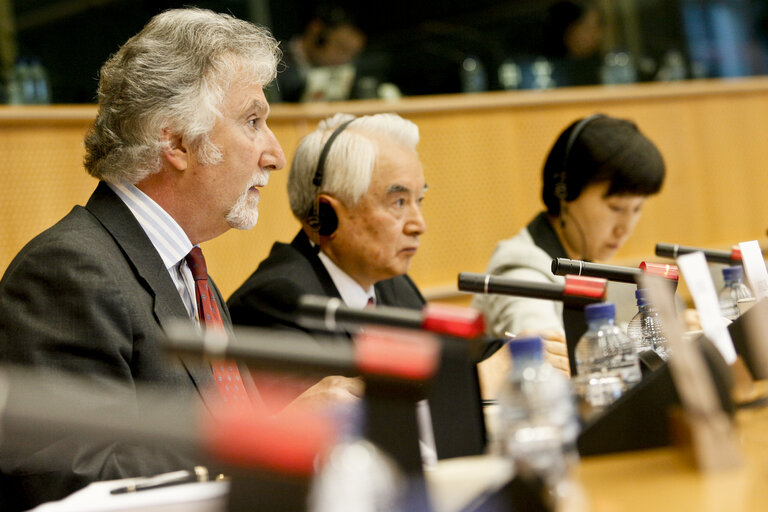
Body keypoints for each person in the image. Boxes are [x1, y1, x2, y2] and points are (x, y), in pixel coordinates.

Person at [0, 8, 359, 510]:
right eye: (253, 121)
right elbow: (73, 482)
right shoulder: (67, 271)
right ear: (176, 142)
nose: (275, 154)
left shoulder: (189, 272)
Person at [473, 114, 665, 393]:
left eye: (637, 209)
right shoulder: (521, 270)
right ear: (564, 192)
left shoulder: (578, 261)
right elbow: (557, 361)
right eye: (616, 208)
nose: (626, 228)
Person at [228, 112, 426, 334]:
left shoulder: (396, 287)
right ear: (325, 215)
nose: (419, 225)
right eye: (398, 202)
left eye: (418, 200)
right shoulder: (276, 303)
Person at [274, 4, 367, 102]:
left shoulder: (348, 74)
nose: (345, 60)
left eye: (352, 54)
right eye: (341, 48)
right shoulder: (274, 61)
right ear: (316, 31)